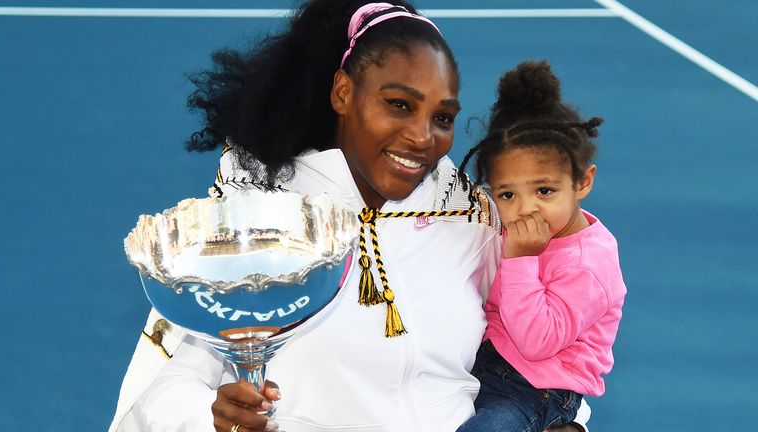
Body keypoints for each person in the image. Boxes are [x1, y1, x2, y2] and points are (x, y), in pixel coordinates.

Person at [109, 2, 591, 431]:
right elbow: (163, 391)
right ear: (343, 93)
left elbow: (541, 357)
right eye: (398, 105)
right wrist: (212, 419)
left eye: (442, 118)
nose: (422, 137)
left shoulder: (473, 219)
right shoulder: (253, 225)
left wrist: (569, 426)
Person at [455, 60, 626, 432]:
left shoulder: (589, 263)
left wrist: (521, 259)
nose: (525, 207)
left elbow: (537, 342)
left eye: (544, 190)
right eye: (507, 194)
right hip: (486, 364)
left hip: (539, 390)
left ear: (582, 182)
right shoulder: (509, 227)